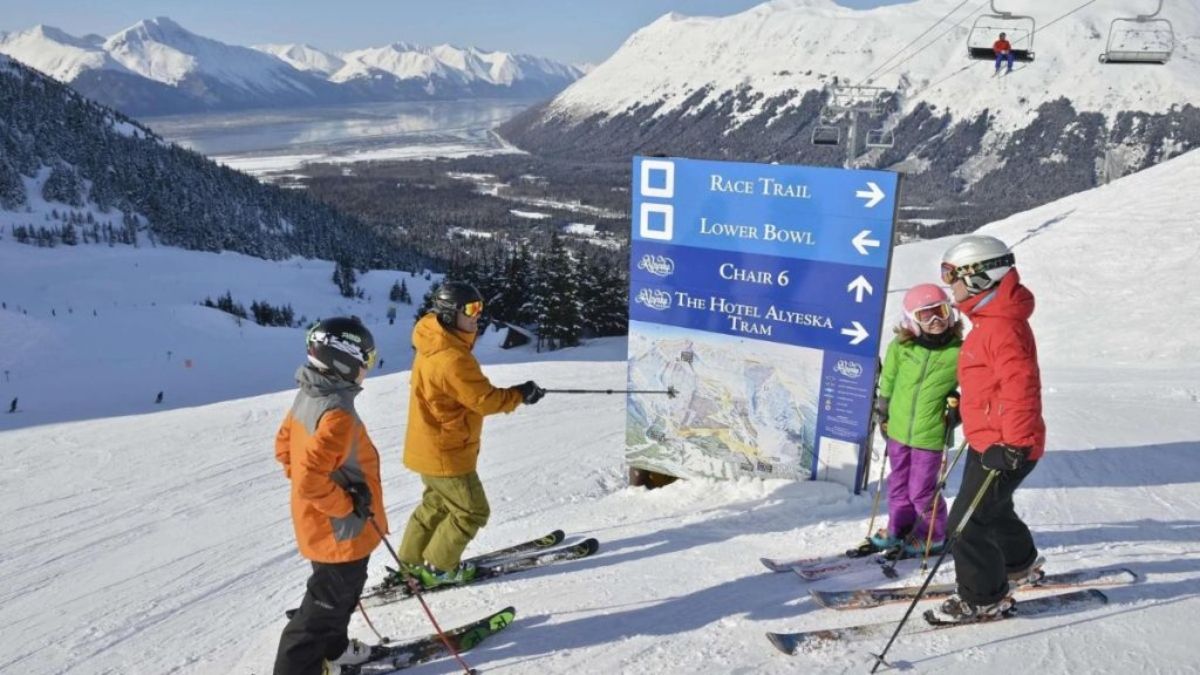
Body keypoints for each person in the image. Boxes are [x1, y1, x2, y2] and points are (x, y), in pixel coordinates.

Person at [397, 281, 544, 589]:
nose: (478, 316)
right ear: (450, 314)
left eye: (480, 308)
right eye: (471, 310)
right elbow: (485, 400)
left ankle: (410, 563)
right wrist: (520, 394)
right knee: (471, 511)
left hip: (427, 445)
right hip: (447, 451)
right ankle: (439, 568)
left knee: (436, 505)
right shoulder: (452, 358)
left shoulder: (432, 339)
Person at [932, 235, 1045, 621]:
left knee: (965, 523)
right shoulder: (990, 322)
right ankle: (1019, 565)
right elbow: (992, 385)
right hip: (992, 440)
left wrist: (1012, 443)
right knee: (992, 511)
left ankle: (982, 598)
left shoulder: (1001, 328)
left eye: (954, 277)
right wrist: (967, 409)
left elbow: (1020, 388)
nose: (951, 287)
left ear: (981, 277)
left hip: (1006, 444)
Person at [273, 317, 386, 675]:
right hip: (341, 532)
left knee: (339, 600)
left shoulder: (310, 393)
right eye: (366, 359)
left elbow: (284, 448)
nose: (368, 367)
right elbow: (309, 480)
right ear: (344, 360)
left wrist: (324, 489)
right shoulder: (337, 412)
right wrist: (345, 503)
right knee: (319, 614)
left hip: (322, 526)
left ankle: (334, 651)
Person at [870, 284, 963, 558]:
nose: (936, 321)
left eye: (941, 312)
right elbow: (888, 380)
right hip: (898, 430)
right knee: (897, 484)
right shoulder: (902, 346)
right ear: (912, 319)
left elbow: (977, 383)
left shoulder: (958, 351)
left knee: (921, 490)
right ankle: (899, 528)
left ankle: (931, 535)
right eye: (926, 316)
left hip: (930, 435)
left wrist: (960, 407)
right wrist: (883, 412)